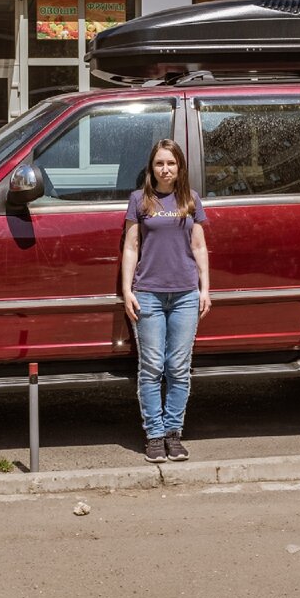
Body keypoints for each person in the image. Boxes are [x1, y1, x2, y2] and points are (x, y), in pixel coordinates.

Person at [121, 139, 211, 463]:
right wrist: (127, 290)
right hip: (148, 294)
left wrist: (205, 289)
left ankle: (174, 433)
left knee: (179, 368)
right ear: (151, 168)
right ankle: (154, 435)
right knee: (151, 367)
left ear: (179, 167)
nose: (165, 169)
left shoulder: (190, 200)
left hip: (186, 294)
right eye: (159, 163)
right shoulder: (139, 201)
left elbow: (199, 246)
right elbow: (131, 247)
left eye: (171, 163)